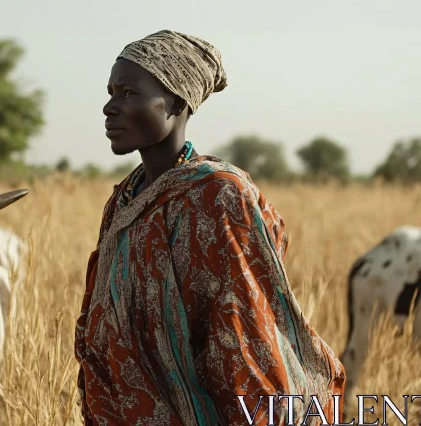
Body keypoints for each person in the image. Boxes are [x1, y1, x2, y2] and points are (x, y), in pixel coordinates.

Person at [73, 30, 346, 425]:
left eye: (128, 93)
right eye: (111, 92)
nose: (109, 107)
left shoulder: (218, 194)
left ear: (177, 102)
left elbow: (243, 332)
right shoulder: (124, 199)